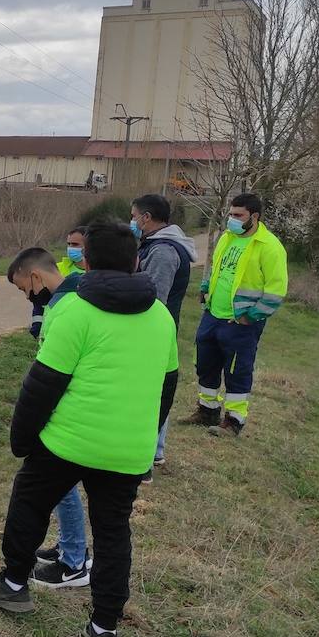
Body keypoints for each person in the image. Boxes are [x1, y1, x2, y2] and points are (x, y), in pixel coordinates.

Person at [0, 221, 179, 637]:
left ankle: (12, 585)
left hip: (69, 442)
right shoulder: (161, 316)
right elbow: (168, 386)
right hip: (127, 450)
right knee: (112, 532)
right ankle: (104, 629)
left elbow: (42, 385)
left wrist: (22, 441)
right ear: (136, 260)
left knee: (29, 500)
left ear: (88, 259)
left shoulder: (75, 312)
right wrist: (143, 439)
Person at [7, 247, 90, 590]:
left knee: (59, 487)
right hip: (67, 410)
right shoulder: (62, 302)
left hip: (67, 413)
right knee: (61, 489)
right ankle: (70, 550)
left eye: (23, 288)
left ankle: (74, 561)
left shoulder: (69, 306)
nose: (27, 296)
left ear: (36, 277)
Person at [184, 192, 288, 438]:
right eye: (230, 214)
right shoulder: (227, 237)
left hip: (241, 321)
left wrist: (251, 316)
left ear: (254, 217)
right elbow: (216, 266)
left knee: (237, 370)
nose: (232, 219)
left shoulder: (270, 246)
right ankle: (207, 410)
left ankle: (233, 421)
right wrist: (205, 287)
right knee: (206, 363)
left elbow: (276, 290)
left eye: (237, 215)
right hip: (213, 314)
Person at [130, 194, 197, 467]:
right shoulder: (154, 245)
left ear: (146, 218)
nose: (132, 221)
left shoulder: (163, 251)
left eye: (134, 216)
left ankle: (152, 449)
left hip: (155, 331)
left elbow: (154, 297)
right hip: (157, 328)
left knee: (154, 390)